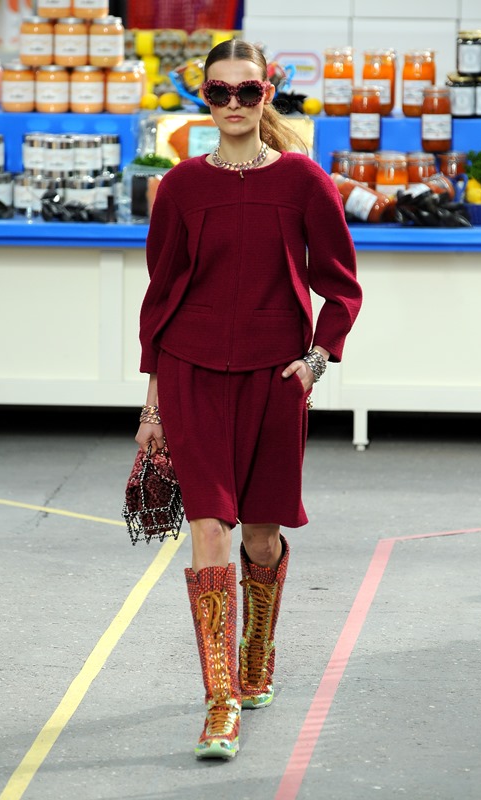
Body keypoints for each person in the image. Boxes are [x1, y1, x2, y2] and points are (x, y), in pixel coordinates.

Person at [135, 38, 362, 761]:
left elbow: (341, 284)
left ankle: (258, 646)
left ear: (268, 94)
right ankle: (221, 700)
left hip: (274, 378)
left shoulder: (303, 181)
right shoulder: (180, 188)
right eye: (219, 91)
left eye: (247, 90)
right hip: (190, 372)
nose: (233, 103)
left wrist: (317, 360)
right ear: (203, 98)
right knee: (208, 528)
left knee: (261, 535)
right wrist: (152, 404)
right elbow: (161, 296)